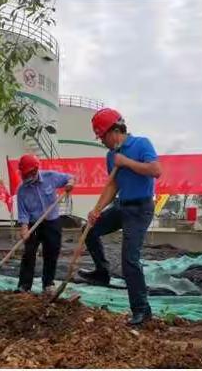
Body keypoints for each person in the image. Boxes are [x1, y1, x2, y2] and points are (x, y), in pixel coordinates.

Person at [77, 108, 162, 325]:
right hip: (121, 206)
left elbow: (155, 170)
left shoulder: (141, 144)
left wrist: (127, 163)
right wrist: (97, 210)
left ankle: (142, 310)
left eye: (103, 137)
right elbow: (113, 185)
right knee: (89, 229)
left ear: (115, 130)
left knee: (129, 260)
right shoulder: (111, 156)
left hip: (140, 209)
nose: (103, 142)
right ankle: (102, 272)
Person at [16, 154, 74, 294]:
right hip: (33, 224)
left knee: (51, 253)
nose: (25, 177)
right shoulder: (22, 190)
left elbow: (69, 178)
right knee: (29, 254)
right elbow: (23, 212)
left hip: (52, 222)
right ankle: (24, 286)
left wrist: (70, 184)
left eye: (28, 174)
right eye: (24, 174)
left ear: (35, 171)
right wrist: (24, 229)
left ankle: (48, 284)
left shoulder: (50, 177)